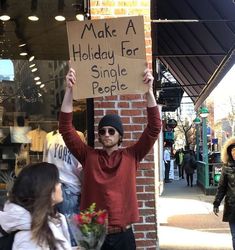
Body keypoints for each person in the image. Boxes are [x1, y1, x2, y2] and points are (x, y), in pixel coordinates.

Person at [59, 66, 161, 250]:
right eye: (103, 131)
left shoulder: (131, 156)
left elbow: (154, 128)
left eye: (111, 131)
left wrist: (149, 92)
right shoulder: (89, 156)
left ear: (120, 136)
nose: (106, 134)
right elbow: (66, 129)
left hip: (123, 234)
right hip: (93, 231)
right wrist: (69, 90)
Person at [0, 162, 72, 250]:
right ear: (46, 189)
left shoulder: (51, 220)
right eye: (57, 181)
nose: (60, 184)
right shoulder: (28, 238)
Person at [213, 137, 235, 250]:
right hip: (232, 206)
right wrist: (216, 203)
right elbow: (221, 187)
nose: (234, 153)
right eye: (232, 150)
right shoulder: (226, 168)